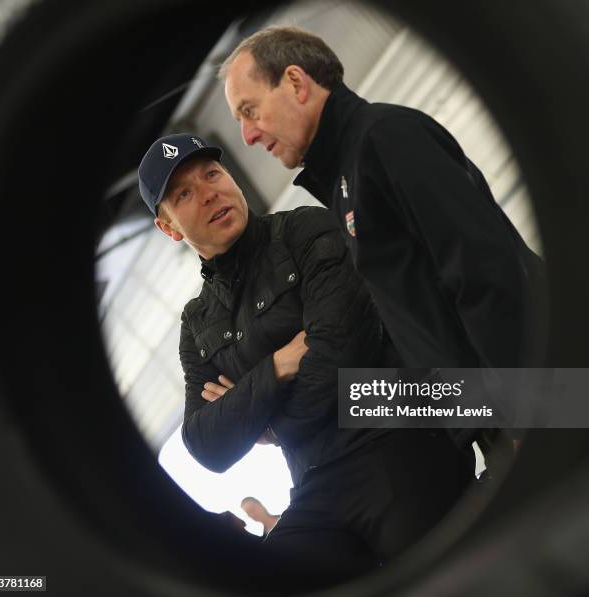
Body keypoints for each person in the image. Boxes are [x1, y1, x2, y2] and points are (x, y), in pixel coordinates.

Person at [137, 132, 473, 585]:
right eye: (184, 193)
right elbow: (205, 445)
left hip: (395, 438)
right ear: (170, 227)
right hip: (314, 482)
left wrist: (264, 421)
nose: (209, 192)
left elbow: (338, 353)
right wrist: (276, 368)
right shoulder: (196, 323)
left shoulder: (304, 230)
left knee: (444, 579)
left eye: (212, 174)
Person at [219, 26, 549, 372]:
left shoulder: (384, 139)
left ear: (296, 84)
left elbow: (487, 273)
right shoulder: (345, 176)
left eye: (250, 111)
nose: (247, 136)